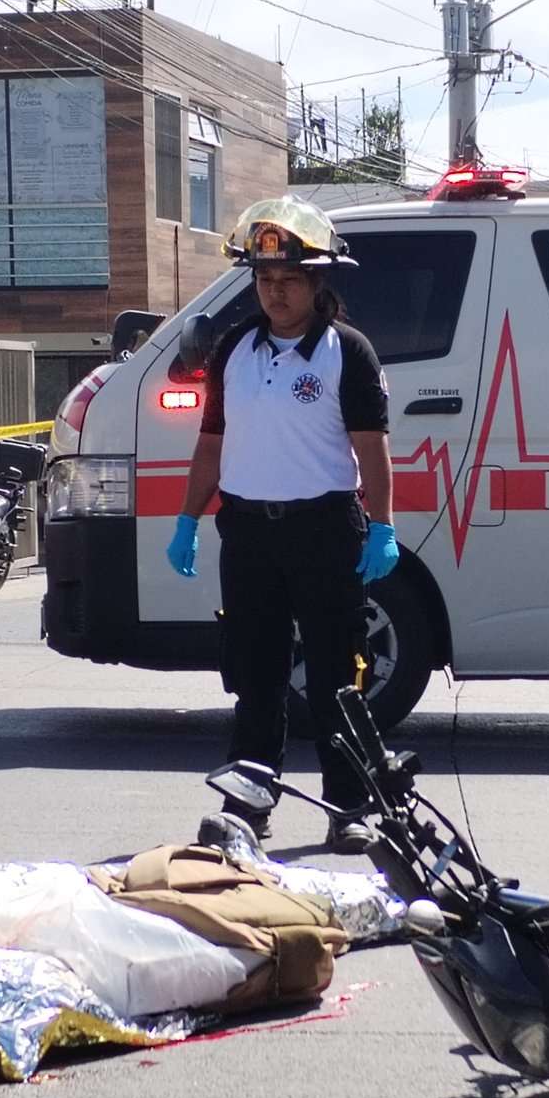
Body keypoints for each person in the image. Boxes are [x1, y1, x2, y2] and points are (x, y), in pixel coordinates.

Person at [165, 198, 397, 855]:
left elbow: (373, 450)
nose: (275, 291)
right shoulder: (236, 347)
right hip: (249, 534)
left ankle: (348, 804)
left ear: (317, 282)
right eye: (265, 280)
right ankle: (248, 804)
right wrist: (188, 519)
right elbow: (211, 442)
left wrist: (381, 527)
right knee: (254, 673)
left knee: (336, 676)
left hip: (325, 529)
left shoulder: (345, 352)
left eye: (289, 280)